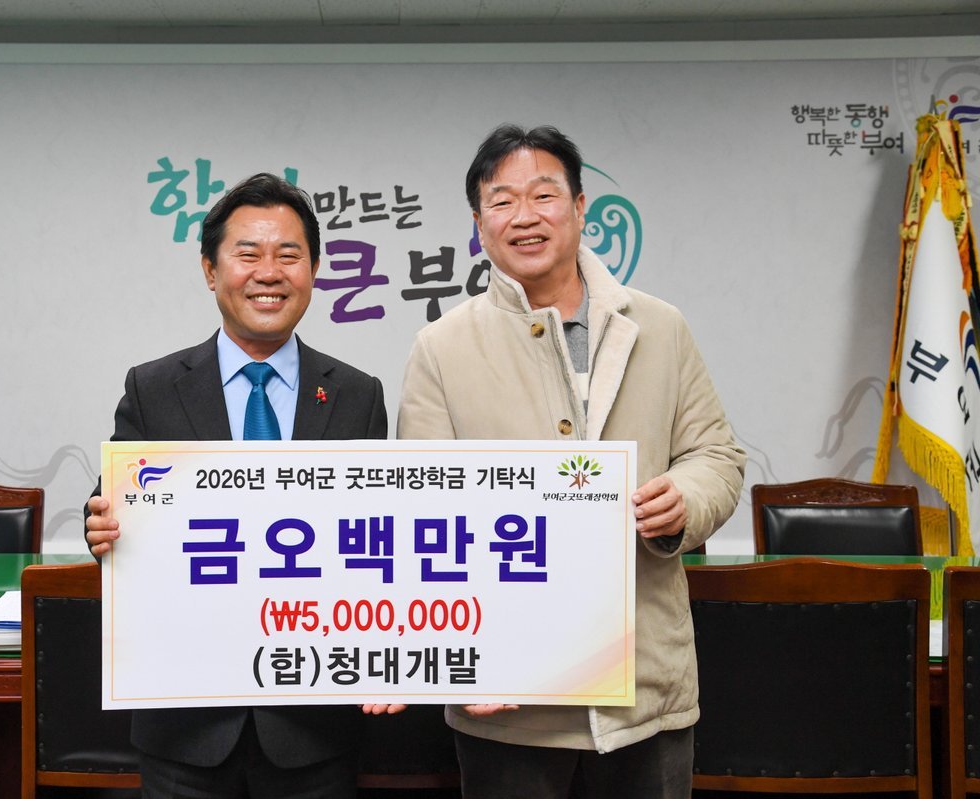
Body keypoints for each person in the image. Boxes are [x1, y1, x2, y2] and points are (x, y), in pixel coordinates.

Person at [397, 125, 746, 798]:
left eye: (543, 195)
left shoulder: (660, 326)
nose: (524, 216)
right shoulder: (441, 347)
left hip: (645, 688)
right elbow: (422, 509)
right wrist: (461, 659)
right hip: (511, 696)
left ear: (581, 207)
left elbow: (716, 455)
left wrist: (685, 497)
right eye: (501, 201)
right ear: (479, 224)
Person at [85, 172, 400, 799]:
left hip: (313, 727)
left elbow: (380, 538)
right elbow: (114, 509)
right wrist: (100, 525)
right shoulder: (154, 388)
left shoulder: (357, 395)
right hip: (185, 722)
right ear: (211, 270)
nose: (269, 273)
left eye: (289, 255)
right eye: (248, 254)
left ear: (314, 271)